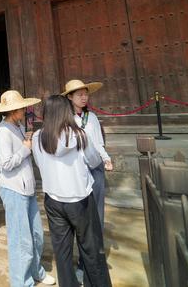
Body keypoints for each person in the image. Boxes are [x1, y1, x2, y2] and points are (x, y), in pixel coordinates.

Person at [32, 95, 112, 287]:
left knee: (62, 252)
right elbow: (94, 160)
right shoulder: (79, 135)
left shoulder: (37, 137)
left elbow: (39, 163)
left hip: (52, 199)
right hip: (80, 200)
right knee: (91, 250)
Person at [0, 91, 55, 286]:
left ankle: (36, 271)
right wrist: (25, 148)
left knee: (36, 234)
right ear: (13, 110)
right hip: (14, 189)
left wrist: (26, 140)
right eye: (22, 108)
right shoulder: (3, 131)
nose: (25, 110)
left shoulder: (16, 126)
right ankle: (21, 282)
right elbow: (6, 163)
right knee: (20, 239)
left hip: (27, 188)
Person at [62, 79, 113, 283]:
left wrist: (106, 157)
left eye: (85, 93)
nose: (84, 97)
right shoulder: (65, 118)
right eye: (79, 94)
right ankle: (81, 261)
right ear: (69, 97)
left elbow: (98, 143)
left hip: (96, 169)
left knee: (97, 216)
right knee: (81, 218)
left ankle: (90, 262)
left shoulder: (92, 117)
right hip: (76, 171)